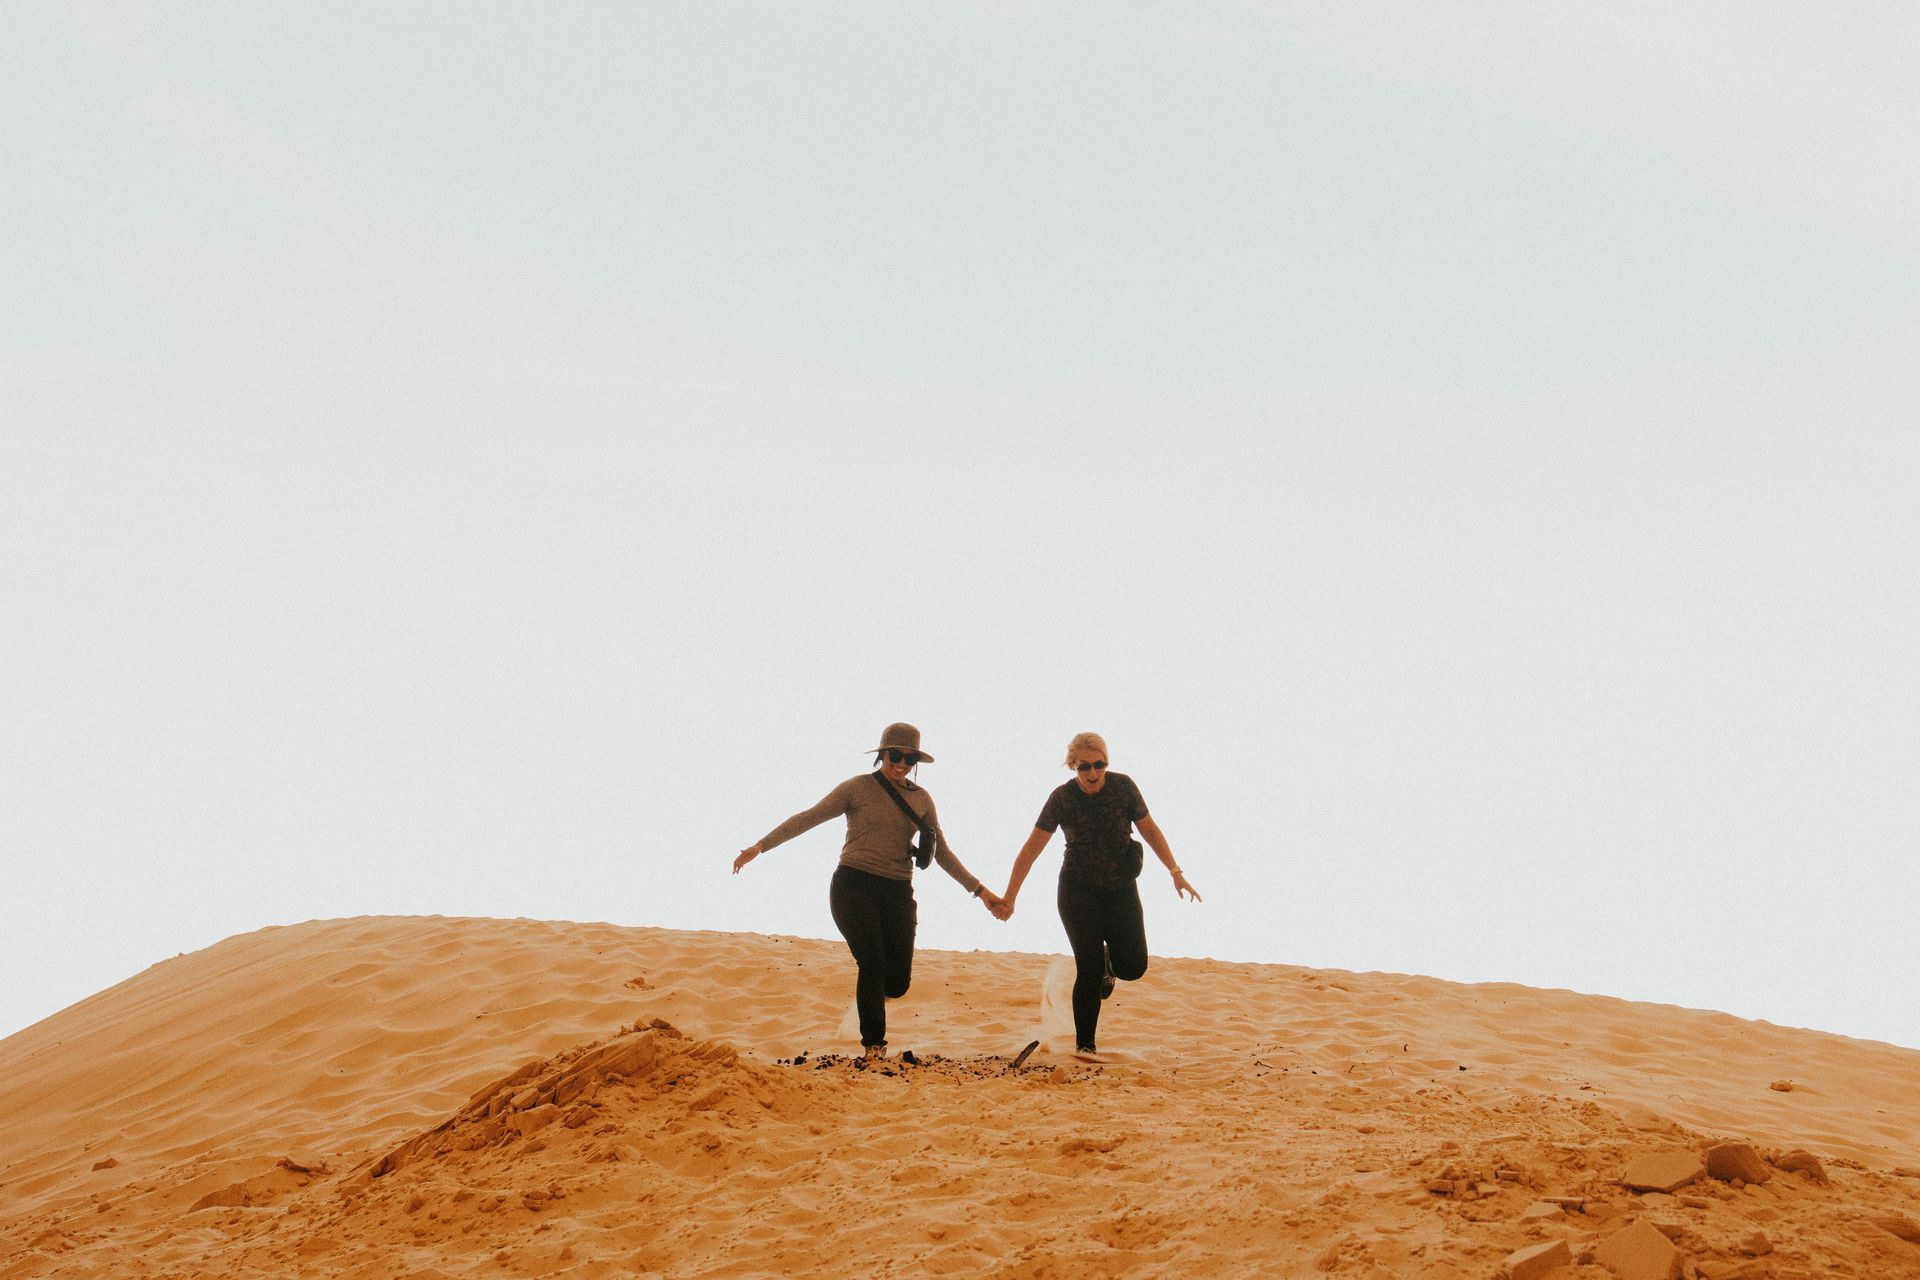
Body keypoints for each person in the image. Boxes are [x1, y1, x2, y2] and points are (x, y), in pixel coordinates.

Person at [734, 722, 1007, 1057]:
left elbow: (943, 854)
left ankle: (869, 1002)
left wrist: (981, 892)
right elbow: (810, 817)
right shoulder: (857, 788)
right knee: (873, 963)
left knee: (897, 983)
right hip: (853, 886)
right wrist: (760, 846)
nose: (902, 764)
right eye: (895, 756)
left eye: (910, 759)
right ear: (882, 754)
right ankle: (874, 1046)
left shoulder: (921, 799)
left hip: (897, 891)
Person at [998, 731, 1199, 1060]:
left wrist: (1175, 871)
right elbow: (1032, 848)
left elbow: (1149, 829)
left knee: (1133, 966)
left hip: (1121, 889)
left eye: (1099, 764)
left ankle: (1110, 962)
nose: (1092, 773)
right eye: (1084, 766)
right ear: (1073, 766)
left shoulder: (1123, 787)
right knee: (1087, 968)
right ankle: (1085, 1045)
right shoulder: (1062, 798)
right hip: (1077, 891)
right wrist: (1011, 896)